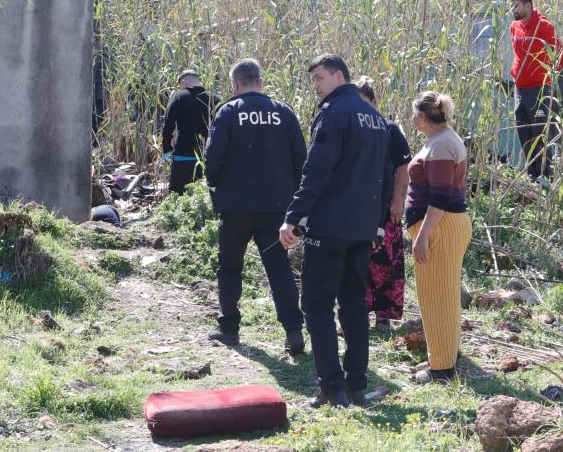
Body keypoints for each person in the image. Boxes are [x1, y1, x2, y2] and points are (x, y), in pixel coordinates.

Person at [279, 55, 392, 408]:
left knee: (316, 304)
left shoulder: (334, 113)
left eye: (320, 78)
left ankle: (332, 388)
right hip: (361, 228)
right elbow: (384, 176)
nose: (315, 86)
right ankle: (357, 385)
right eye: (312, 80)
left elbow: (317, 169)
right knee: (355, 306)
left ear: (339, 75)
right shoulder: (376, 118)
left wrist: (294, 217)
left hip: (329, 228)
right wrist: (376, 224)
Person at [203, 59, 308, 353]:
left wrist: (215, 187)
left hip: (235, 206)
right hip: (277, 208)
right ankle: (293, 332)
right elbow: (302, 159)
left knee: (230, 267)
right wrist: (297, 203)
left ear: (235, 85)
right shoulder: (283, 113)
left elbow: (212, 158)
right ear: (260, 82)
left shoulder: (227, 112)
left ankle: (229, 328)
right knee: (279, 269)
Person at [405, 92, 472, 384]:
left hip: (440, 228)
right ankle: (440, 356)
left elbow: (441, 195)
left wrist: (423, 235)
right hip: (441, 226)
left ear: (421, 117)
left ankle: (442, 369)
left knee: (439, 297)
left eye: (413, 114)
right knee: (438, 295)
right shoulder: (442, 139)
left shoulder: (442, 143)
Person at [353, 76, 411, 331]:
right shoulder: (349, 127)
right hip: (355, 204)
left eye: (365, 102)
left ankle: (383, 316)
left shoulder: (389, 129)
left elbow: (402, 168)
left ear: (374, 101)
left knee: (385, 258)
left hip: (385, 204)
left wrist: (398, 200)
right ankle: (356, 312)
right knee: (356, 258)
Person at [509, 0, 563, 180]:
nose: (513, 8)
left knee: (539, 132)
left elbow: (559, 55)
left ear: (528, 5)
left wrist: (544, 77)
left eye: (517, 4)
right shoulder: (514, 27)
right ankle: (533, 174)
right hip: (520, 88)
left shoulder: (545, 27)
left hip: (539, 89)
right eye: (512, 4)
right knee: (524, 132)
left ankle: (545, 174)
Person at [162, 70, 219, 194]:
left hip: (183, 154)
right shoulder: (215, 99)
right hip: (207, 156)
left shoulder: (178, 96)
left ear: (183, 82)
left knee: (177, 194)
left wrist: (166, 152)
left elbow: (168, 126)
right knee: (202, 195)